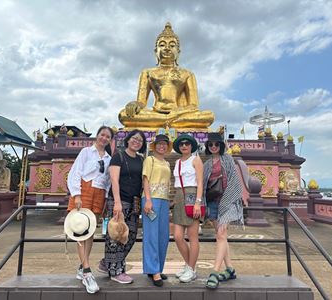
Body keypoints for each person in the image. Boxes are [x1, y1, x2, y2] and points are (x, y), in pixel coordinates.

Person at [118, 22, 214, 129]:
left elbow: (193, 105)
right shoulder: (147, 73)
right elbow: (141, 102)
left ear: (178, 52)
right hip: (156, 112)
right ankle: (169, 122)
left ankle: (164, 122)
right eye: (162, 45)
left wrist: (177, 112)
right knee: (124, 114)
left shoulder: (187, 74)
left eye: (172, 45)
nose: (167, 48)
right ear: (156, 51)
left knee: (209, 116)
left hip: (178, 112)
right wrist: (134, 104)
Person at [67, 125, 114, 294]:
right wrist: (77, 195)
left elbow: (108, 181)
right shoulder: (86, 152)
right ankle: (87, 271)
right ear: (97, 136)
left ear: (110, 140)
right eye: (102, 135)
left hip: (99, 193)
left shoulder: (109, 158)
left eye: (108, 136)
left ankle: (82, 266)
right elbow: (75, 173)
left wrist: (107, 198)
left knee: (91, 231)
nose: (104, 138)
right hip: (84, 190)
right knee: (80, 230)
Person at [98, 129, 147, 284]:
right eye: (134, 138)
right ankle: (116, 270)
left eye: (140, 140)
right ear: (128, 139)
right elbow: (114, 180)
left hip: (134, 202)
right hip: (119, 200)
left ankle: (108, 263)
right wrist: (117, 202)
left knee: (130, 236)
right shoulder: (118, 157)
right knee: (115, 235)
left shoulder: (141, 160)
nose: (137, 142)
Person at [203, 132, 244, 289]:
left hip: (228, 201)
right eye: (211, 144)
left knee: (220, 234)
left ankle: (214, 272)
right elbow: (205, 185)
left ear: (221, 145)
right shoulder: (206, 164)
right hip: (213, 202)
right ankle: (230, 269)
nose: (214, 147)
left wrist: (228, 199)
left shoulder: (227, 159)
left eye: (216, 144)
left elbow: (234, 181)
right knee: (221, 236)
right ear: (207, 146)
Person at [172, 134, 204, 283]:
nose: (184, 146)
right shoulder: (177, 162)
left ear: (192, 145)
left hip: (192, 196)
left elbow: (200, 182)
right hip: (179, 197)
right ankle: (189, 265)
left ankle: (191, 269)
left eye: (187, 143)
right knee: (178, 236)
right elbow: (178, 183)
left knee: (192, 236)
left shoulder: (196, 160)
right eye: (181, 144)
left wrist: (198, 202)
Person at [142, 134, 172, 287]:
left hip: (164, 200)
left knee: (163, 235)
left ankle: (157, 267)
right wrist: (147, 199)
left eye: (164, 144)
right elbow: (145, 179)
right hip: (151, 199)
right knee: (151, 235)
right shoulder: (150, 160)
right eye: (159, 144)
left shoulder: (167, 163)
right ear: (154, 146)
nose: (162, 146)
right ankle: (154, 271)